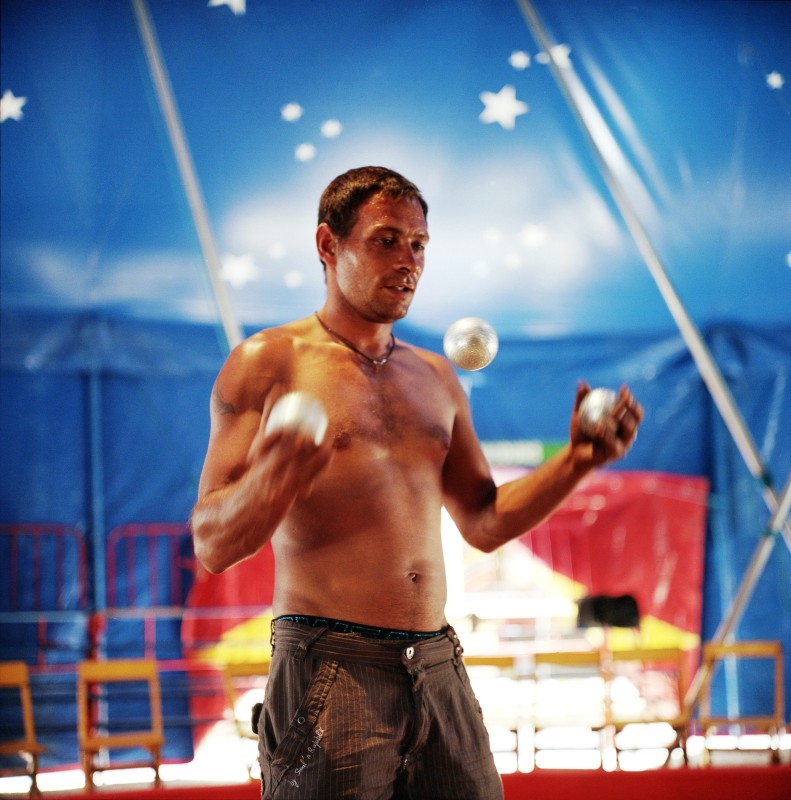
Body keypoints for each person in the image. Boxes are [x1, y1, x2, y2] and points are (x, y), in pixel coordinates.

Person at [191, 166, 643, 799]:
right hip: (329, 666)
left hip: (437, 663)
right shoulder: (268, 363)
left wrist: (579, 461)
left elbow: (483, 522)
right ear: (328, 245)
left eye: (419, 244)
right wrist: (276, 473)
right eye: (385, 240)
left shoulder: (435, 377)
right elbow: (211, 543)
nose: (408, 260)